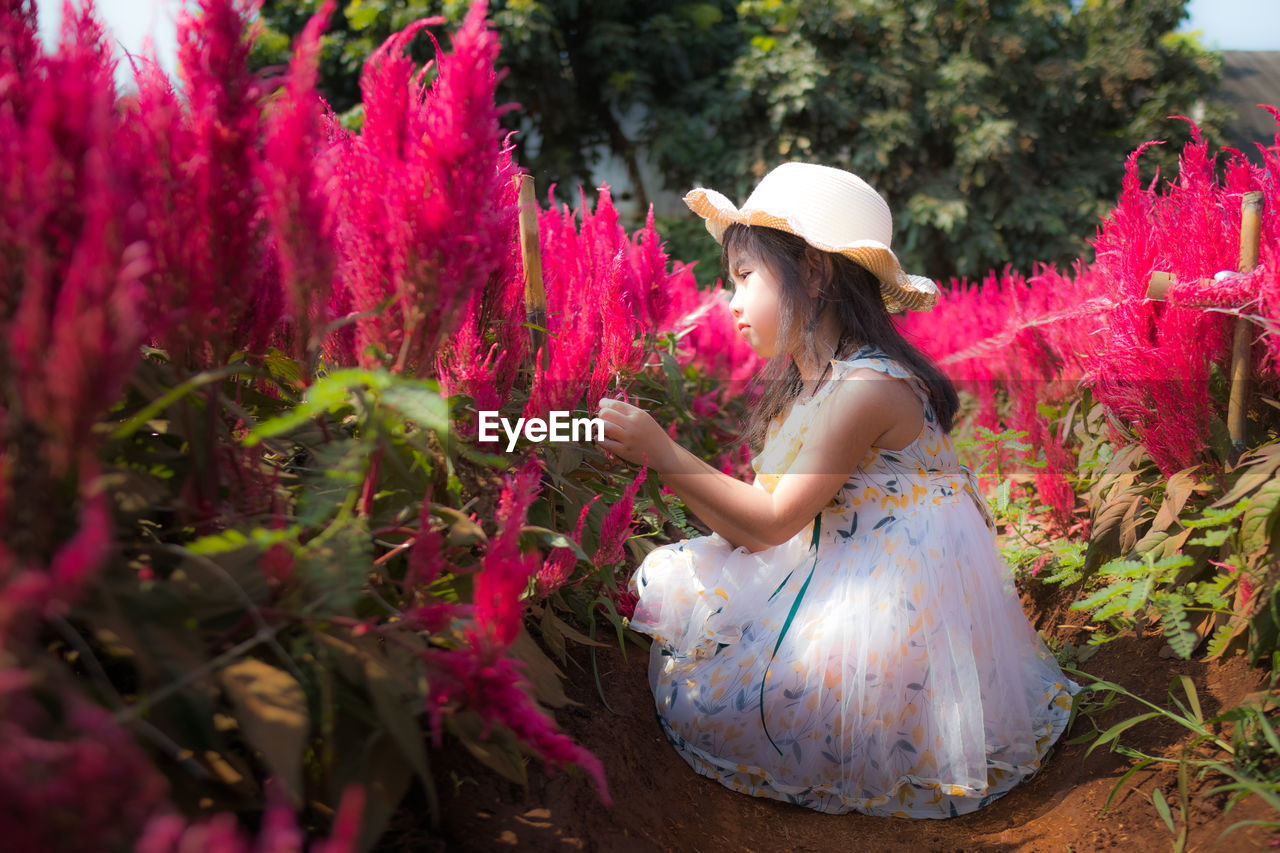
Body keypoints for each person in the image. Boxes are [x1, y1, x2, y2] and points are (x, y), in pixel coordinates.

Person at [595, 162, 1079, 818]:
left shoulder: (865, 387)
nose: (731, 303)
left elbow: (770, 520)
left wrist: (661, 450)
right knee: (687, 592)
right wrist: (663, 462)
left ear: (816, 274)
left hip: (895, 613)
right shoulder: (813, 387)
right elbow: (761, 525)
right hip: (835, 566)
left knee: (765, 703)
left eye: (743, 278)